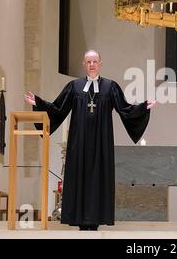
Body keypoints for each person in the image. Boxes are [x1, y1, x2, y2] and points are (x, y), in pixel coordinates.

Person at [24, 50, 156, 231]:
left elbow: (125, 109)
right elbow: (58, 108)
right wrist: (38, 103)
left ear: (100, 64)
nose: (92, 64)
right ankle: (79, 219)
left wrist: (143, 107)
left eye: (95, 61)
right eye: (88, 62)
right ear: (84, 64)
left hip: (101, 143)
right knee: (79, 176)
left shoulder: (111, 87)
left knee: (98, 178)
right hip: (79, 143)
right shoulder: (74, 86)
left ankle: (96, 219)